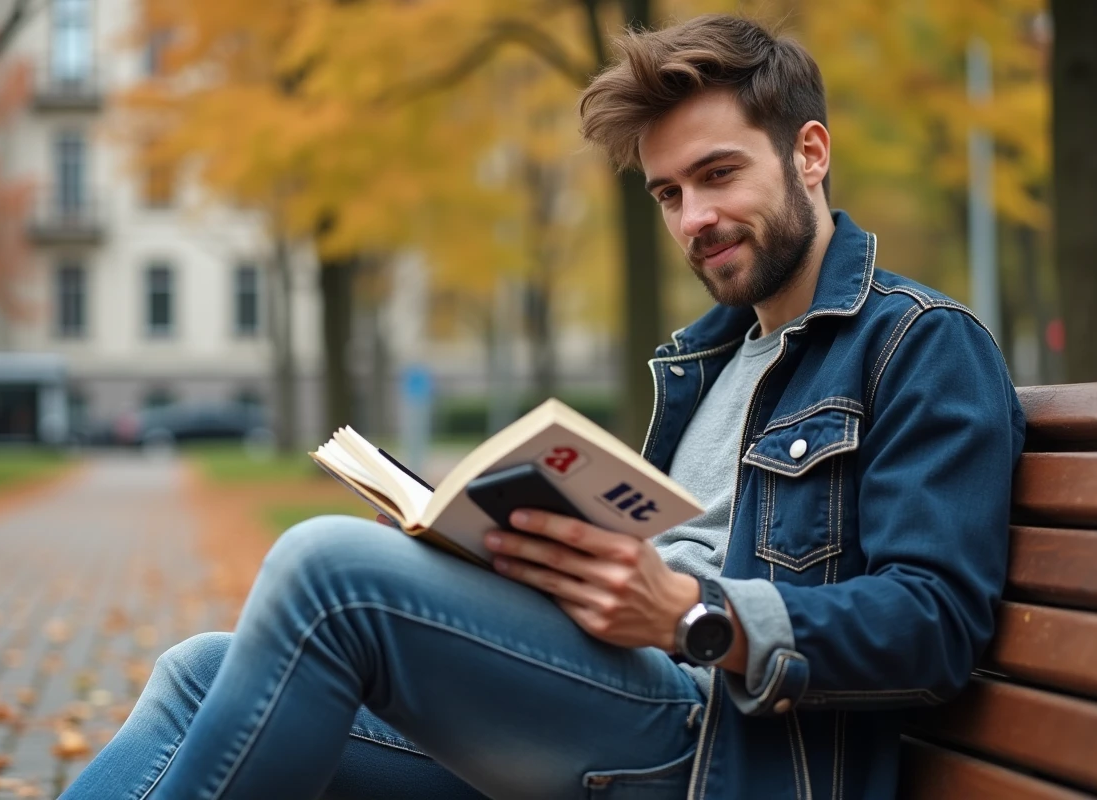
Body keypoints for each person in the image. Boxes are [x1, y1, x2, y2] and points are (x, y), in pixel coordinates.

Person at [62, 13, 1024, 800]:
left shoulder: (919, 342)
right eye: (668, 193)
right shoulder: (712, 359)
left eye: (720, 174)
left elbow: (935, 624)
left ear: (810, 153)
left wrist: (697, 613)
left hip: (727, 753)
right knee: (198, 669)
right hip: (616, 704)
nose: (693, 220)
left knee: (327, 569)